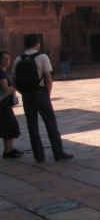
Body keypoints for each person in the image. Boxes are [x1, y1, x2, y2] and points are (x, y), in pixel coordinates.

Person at [11, 34, 72, 162]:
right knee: (50, 122)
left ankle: (38, 155)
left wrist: (23, 93)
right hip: (40, 93)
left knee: (32, 125)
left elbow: (14, 81)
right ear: (37, 43)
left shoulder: (18, 59)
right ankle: (58, 152)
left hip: (27, 94)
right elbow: (48, 79)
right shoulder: (42, 57)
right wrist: (47, 95)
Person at [0, 49, 22, 159]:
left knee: (12, 125)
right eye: (4, 58)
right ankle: (7, 150)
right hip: (2, 104)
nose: (7, 60)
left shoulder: (4, 72)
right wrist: (14, 88)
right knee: (7, 126)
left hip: (6, 103)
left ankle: (11, 148)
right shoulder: (1, 73)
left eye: (8, 58)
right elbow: (5, 89)